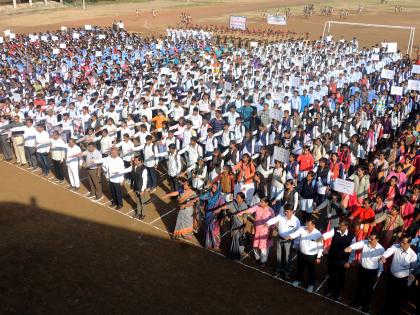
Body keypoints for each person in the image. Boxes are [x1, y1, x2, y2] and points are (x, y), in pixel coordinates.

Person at [345, 233, 385, 313]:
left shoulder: (381, 249)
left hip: (372, 272)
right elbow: (357, 244)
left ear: (377, 240)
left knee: (368, 290)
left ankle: (365, 306)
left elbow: (380, 262)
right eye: (369, 238)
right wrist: (350, 247)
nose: (369, 240)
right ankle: (356, 302)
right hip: (362, 269)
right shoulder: (365, 242)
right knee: (359, 286)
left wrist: (379, 272)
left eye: (372, 239)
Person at [380, 235, 418, 315]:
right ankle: (386, 310)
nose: (401, 244)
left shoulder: (413, 255)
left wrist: (411, 278)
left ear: (409, 243)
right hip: (391, 277)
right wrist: (384, 256)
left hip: (402, 280)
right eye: (401, 242)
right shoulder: (396, 246)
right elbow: (389, 251)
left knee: (398, 298)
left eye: (404, 243)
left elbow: (413, 269)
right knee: (388, 294)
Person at [320, 219, 355, 299]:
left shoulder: (352, 237)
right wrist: (319, 238)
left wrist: (349, 261)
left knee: (340, 277)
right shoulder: (335, 230)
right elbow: (325, 235)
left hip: (342, 260)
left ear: (346, 226)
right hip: (332, 258)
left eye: (341, 225)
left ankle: (338, 292)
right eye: (339, 224)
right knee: (331, 274)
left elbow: (352, 251)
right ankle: (330, 289)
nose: (339, 226)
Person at [286, 218, 323, 293]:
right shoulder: (302, 228)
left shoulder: (318, 234)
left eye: (308, 225)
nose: (307, 226)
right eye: (306, 225)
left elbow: (320, 246)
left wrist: (319, 257)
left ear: (313, 225)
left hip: (311, 256)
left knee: (311, 271)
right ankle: (298, 280)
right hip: (301, 253)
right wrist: (290, 236)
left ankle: (310, 284)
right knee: (300, 268)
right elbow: (295, 234)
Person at [266, 204, 301, 279]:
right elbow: (274, 219)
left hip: (289, 241)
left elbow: (298, 233)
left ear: (292, 212)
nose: (285, 213)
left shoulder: (296, 221)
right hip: (280, 238)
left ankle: (287, 272)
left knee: (287, 257)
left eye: (287, 212)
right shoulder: (281, 216)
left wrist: (296, 244)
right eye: (285, 211)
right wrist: (267, 223)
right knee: (279, 255)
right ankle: (278, 269)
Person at [239, 197, 275, 264]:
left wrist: (271, 233)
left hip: (265, 232)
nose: (260, 203)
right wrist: (242, 212)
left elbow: (272, 224)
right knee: (255, 245)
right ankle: (257, 258)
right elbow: (250, 210)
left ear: (266, 203)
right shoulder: (257, 207)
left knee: (263, 247)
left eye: (262, 202)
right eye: (260, 201)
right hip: (256, 230)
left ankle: (263, 261)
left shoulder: (271, 211)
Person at [200, 182, 226, 249]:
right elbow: (201, 197)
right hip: (208, 214)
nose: (212, 188)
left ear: (218, 188)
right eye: (212, 187)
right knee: (208, 227)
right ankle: (207, 243)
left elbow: (224, 208)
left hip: (215, 216)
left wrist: (221, 217)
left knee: (213, 229)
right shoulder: (209, 194)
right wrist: (204, 189)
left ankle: (215, 243)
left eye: (214, 187)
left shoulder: (221, 197)